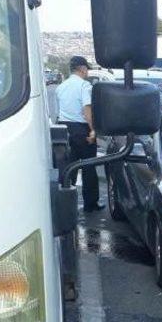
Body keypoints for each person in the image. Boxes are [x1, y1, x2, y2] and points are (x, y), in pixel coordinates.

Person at [56, 56, 104, 212]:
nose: (87, 72)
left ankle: (66, 205)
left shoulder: (61, 87)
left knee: (69, 168)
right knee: (89, 166)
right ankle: (90, 204)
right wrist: (92, 129)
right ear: (82, 69)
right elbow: (87, 110)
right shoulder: (84, 86)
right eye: (87, 69)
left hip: (64, 129)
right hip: (82, 129)